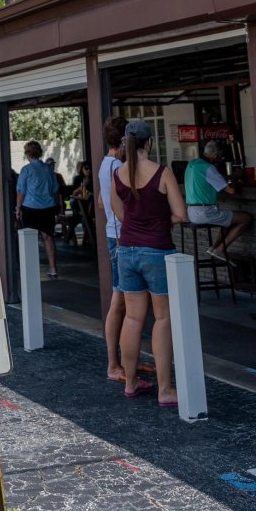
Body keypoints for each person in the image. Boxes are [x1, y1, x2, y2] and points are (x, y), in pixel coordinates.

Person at [109, 118, 187, 406]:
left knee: (132, 318)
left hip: (126, 250)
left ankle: (130, 383)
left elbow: (118, 211)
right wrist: (157, 223)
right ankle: (165, 389)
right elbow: (181, 213)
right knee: (163, 317)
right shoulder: (162, 173)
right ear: (149, 142)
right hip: (157, 250)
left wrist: (137, 224)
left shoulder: (117, 174)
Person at [95, 115, 128, 381]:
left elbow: (100, 202)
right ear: (124, 140)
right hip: (120, 236)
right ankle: (114, 364)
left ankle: (124, 359)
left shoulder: (105, 165)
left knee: (126, 302)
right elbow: (111, 203)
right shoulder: (117, 167)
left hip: (113, 233)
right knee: (119, 302)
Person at [184, 140, 252, 259]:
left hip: (191, 212)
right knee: (246, 218)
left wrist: (229, 177)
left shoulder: (193, 164)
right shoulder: (208, 168)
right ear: (215, 155)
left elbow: (212, 178)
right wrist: (237, 178)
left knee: (227, 220)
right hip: (205, 212)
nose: (220, 159)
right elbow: (231, 190)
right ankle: (220, 250)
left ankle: (213, 248)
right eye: (220, 156)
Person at [15, 140, 61, 278]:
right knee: (47, 237)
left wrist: (18, 207)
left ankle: (31, 270)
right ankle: (53, 268)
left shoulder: (26, 170)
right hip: (48, 208)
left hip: (30, 208)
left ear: (27, 154)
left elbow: (21, 192)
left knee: (30, 239)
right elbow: (55, 189)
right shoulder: (48, 169)